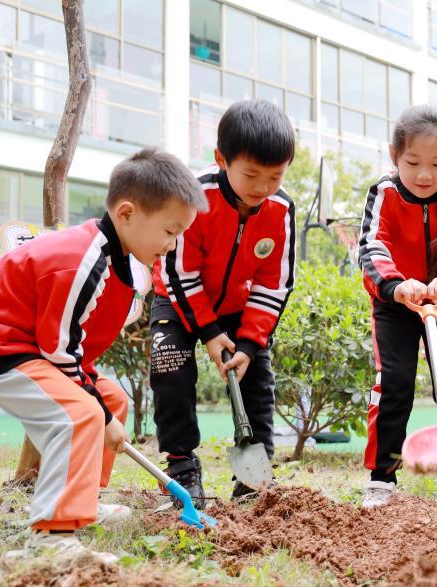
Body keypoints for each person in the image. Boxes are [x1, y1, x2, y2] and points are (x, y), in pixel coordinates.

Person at [0, 148, 205, 558]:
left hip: (29, 347)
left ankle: (83, 501)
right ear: (127, 213)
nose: (172, 245)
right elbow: (59, 351)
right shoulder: (83, 262)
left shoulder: (116, 259)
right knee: (82, 413)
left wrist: (105, 408)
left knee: (108, 397)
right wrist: (102, 417)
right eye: (169, 231)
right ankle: (52, 538)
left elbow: (75, 348)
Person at [150, 100, 296, 505]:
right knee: (171, 370)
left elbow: (274, 283)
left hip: (238, 306)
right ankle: (181, 465)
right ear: (221, 159)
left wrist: (248, 344)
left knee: (258, 379)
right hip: (178, 301)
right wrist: (210, 333)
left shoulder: (281, 210)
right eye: (251, 174)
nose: (262, 187)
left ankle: (255, 478)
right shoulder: (194, 197)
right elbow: (181, 273)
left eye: (275, 176)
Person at [357, 104, 437, 508]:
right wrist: (396, 285)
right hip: (395, 302)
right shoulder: (384, 193)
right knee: (393, 383)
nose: (425, 175)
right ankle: (382, 477)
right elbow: (371, 246)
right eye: (413, 162)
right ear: (394, 155)